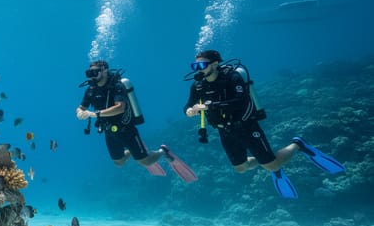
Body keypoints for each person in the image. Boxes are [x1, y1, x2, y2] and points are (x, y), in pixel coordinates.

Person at [183, 49, 344, 198]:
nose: (198, 69)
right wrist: (189, 111)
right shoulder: (198, 85)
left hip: (246, 126)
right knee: (241, 168)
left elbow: (240, 101)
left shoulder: (232, 77)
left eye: (202, 65)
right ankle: (266, 159)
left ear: (215, 63)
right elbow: (188, 105)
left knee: (272, 166)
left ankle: (298, 144)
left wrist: (210, 106)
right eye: (195, 65)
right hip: (224, 130)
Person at [77, 60, 196, 181]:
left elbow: (120, 107)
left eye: (95, 72)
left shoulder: (116, 86)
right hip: (109, 131)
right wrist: (80, 113)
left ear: (105, 71)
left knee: (146, 162)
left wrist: (94, 113)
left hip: (126, 129)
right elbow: (81, 108)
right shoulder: (91, 90)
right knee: (119, 162)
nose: (92, 75)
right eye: (89, 73)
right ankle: (133, 150)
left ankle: (163, 151)